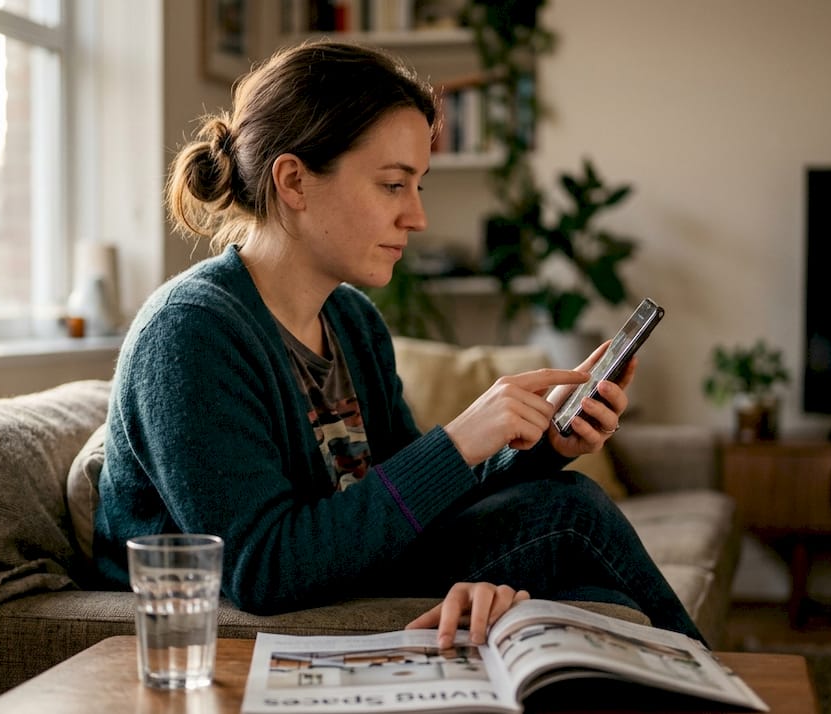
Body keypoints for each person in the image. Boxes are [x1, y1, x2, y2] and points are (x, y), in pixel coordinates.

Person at [91, 38, 702, 647]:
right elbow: (262, 567)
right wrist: (459, 439)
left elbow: (415, 502)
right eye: (392, 185)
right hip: (236, 616)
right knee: (569, 514)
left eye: (419, 186)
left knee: (602, 599)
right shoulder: (190, 333)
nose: (417, 216)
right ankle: (719, 683)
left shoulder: (352, 320)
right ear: (294, 181)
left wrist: (541, 446)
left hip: (349, 568)